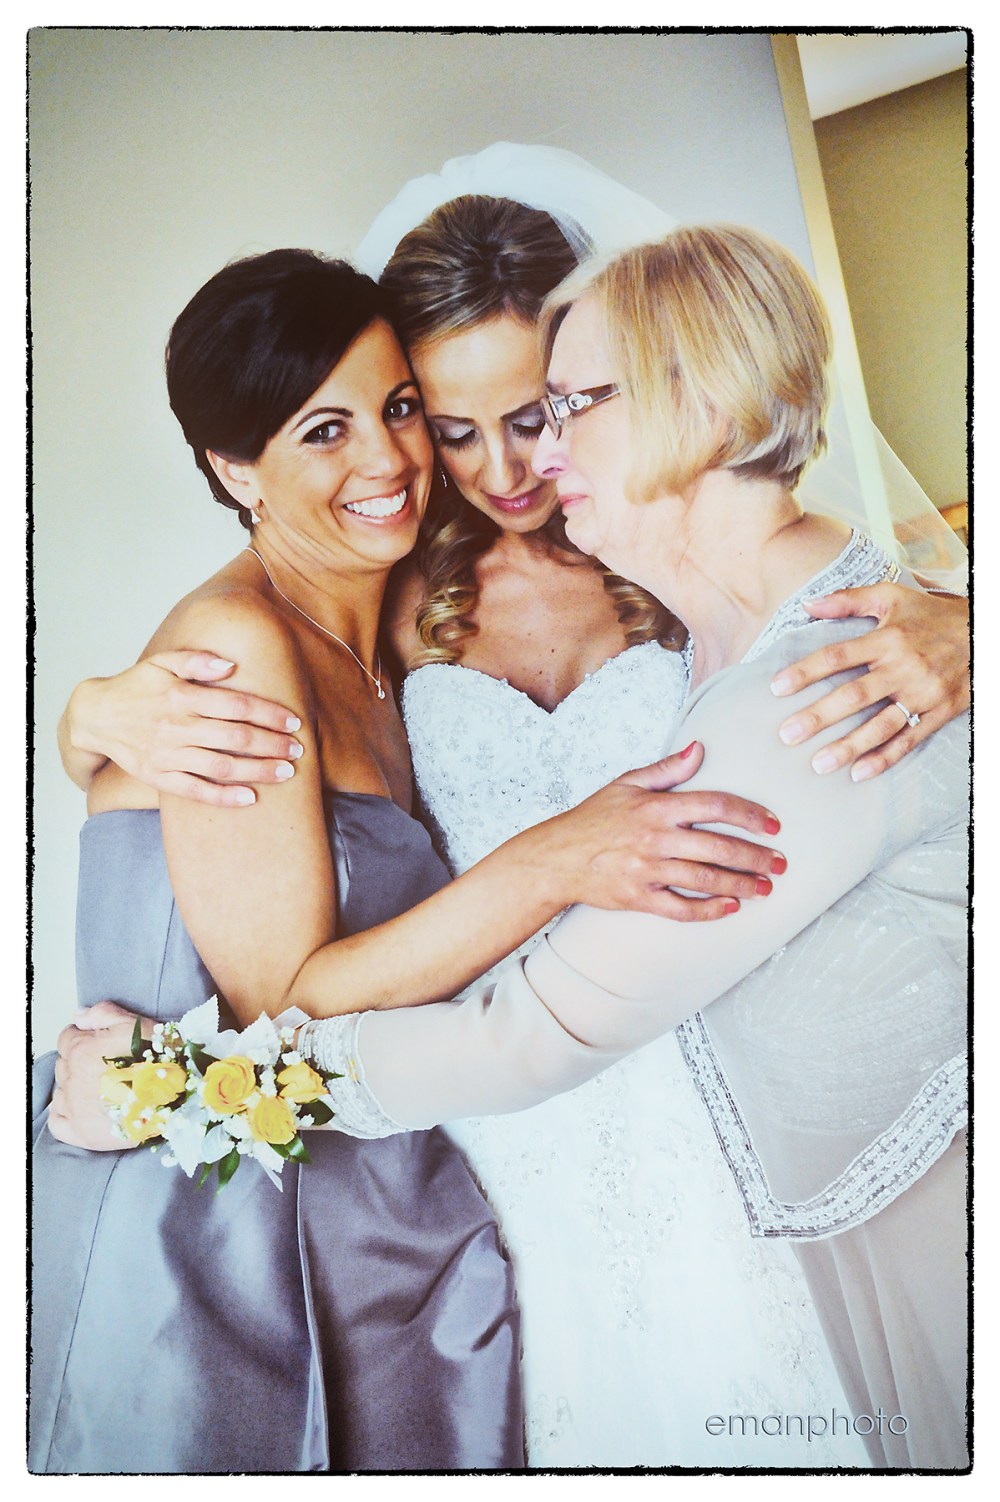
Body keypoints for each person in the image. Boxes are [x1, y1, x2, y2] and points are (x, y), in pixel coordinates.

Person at [56, 159, 969, 1468]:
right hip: (500, 1124)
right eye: (451, 425)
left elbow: (820, 616)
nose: (507, 468)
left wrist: (966, 625)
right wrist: (87, 715)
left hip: (703, 1085)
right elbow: (250, 788)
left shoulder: (675, 555)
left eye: (545, 412)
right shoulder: (386, 590)